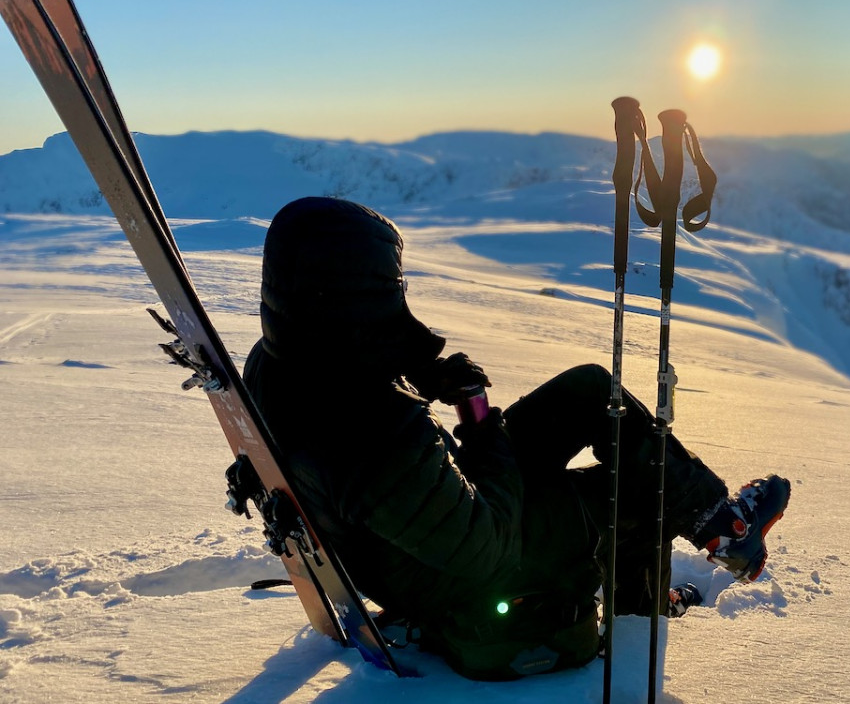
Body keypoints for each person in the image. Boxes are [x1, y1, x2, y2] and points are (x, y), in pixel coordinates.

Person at [243, 196, 791, 680]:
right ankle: (644, 614)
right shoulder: (374, 431)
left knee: (590, 390)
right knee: (635, 489)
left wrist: (424, 373)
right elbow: (486, 548)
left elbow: (352, 367)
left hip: (425, 522)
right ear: (357, 296)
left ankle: (717, 523)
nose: (396, 294)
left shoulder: (278, 366)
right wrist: (481, 428)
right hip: (465, 562)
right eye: (389, 285)